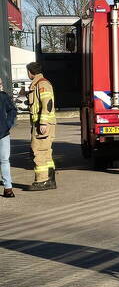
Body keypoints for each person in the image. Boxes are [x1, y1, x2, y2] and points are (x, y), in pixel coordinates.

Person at [25, 62, 57, 191]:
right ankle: (50, 180)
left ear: (31, 72)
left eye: (27, 71)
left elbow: (47, 103)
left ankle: (42, 181)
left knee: (38, 151)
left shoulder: (42, 84)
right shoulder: (39, 84)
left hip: (42, 124)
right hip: (42, 123)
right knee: (46, 152)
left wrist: (43, 123)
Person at [0, 77, 17, 197]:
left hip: (3, 132)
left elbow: (12, 110)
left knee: (5, 160)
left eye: (0, 83)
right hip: (4, 131)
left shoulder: (3, 96)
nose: (1, 85)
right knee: (4, 161)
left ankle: (8, 188)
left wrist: (8, 124)